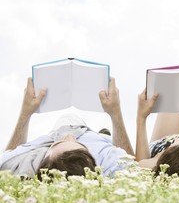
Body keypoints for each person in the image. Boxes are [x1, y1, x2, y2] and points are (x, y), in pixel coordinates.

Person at [0, 77, 134, 179]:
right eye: (80, 146)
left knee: (65, 120)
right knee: (106, 139)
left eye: (58, 144)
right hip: (92, 135)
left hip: (55, 132)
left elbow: (10, 155)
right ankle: (102, 135)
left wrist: (26, 113)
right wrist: (115, 113)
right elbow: (132, 162)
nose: (70, 136)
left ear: (40, 162)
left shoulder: (20, 165)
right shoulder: (114, 164)